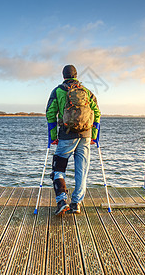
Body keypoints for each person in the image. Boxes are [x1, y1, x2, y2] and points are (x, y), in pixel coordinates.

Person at [46, 65, 101, 215]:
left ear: (63, 76)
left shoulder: (58, 91)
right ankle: (76, 203)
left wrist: (53, 137)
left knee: (58, 168)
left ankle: (62, 201)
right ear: (76, 76)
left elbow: (50, 113)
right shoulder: (87, 92)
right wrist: (94, 135)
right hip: (86, 135)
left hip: (66, 135)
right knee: (82, 170)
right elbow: (96, 112)